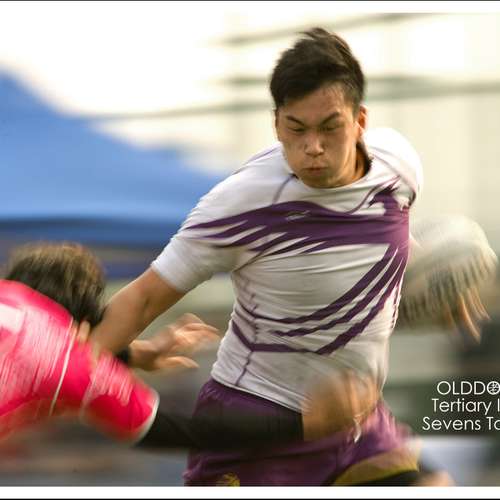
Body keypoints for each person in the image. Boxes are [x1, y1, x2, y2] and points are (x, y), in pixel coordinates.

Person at [89, 28, 484, 486]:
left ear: (359, 121)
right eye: (297, 129)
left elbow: (376, 237)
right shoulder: (240, 205)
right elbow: (142, 299)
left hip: (354, 421)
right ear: (277, 124)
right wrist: (64, 368)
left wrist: (431, 280)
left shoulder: (399, 166)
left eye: (330, 127)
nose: (313, 146)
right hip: (256, 424)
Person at [0, 242, 377, 451]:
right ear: (84, 325)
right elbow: (183, 430)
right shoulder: (74, 368)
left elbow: (28, 350)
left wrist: (134, 354)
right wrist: (304, 424)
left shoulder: (7, 294)